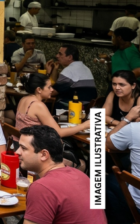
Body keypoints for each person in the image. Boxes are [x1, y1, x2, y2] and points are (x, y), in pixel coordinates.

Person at [17, 125, 106, 224]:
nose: (17, 152)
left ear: (43, 155)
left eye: (23, 148)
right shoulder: (81, 175)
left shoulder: (42, 188)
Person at [14, 74, 89, 158]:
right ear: (39, 89)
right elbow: (58, 133)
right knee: (81, 162)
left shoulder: (23, 99)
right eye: (49, 87)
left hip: (19, 145)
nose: (52, 90)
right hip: (32, 152)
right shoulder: (38, 105)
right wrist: (84, 125)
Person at [106, 95, 140, 223]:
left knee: (106, 181)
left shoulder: (135, 129)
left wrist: (128, 118)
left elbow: (108, 142)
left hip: (138, 204)